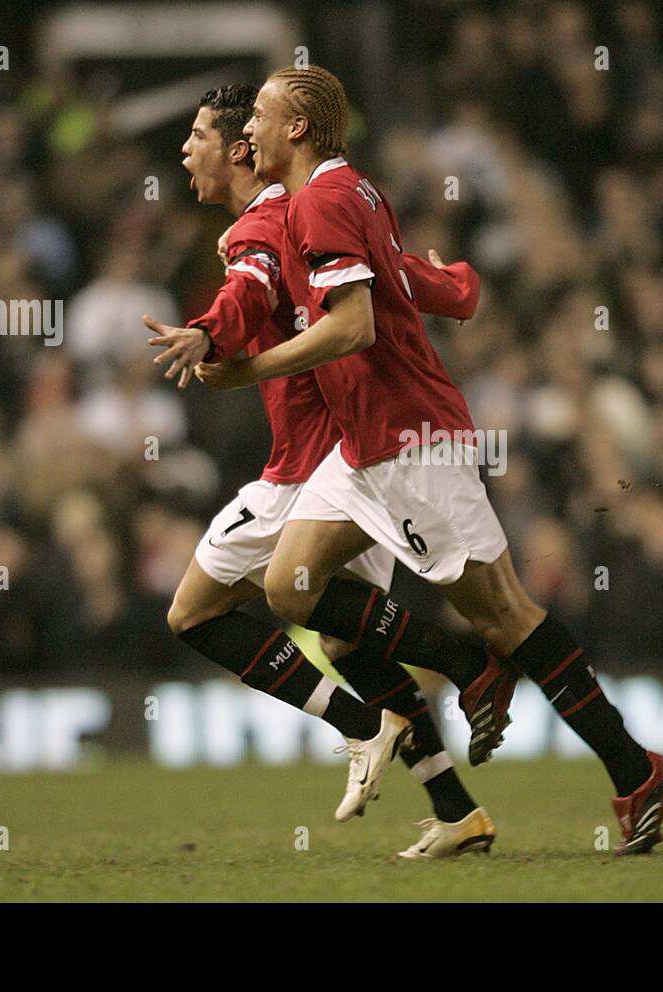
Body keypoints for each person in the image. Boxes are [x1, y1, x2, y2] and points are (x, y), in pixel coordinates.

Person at [203, 65, 663, 855]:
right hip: (361, 446)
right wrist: (453, 284)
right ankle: (468, 666)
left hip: (408, 439)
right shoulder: (345, 192)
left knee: (508, 613)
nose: (245, 127)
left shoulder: (326, 200)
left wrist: (250, 368)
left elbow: (355, 326)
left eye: (258, 113)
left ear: (297, 128)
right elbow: (396, 281)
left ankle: (634, 769)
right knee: (289, 585)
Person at [147, 85, 494, 858]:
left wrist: (208, 333)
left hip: (305, 475)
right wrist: (461, 286)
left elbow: (250, 289)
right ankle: (456, 810)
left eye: (198, 135)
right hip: (352, 466)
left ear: (242, 147)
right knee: (345, 643)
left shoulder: (262, 225)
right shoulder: (308, 206)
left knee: (193, 614)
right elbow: (395, 277)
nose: (185, 151)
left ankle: (379, 712)